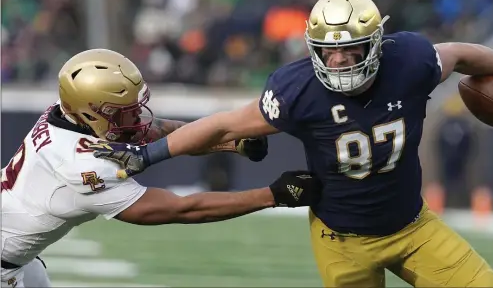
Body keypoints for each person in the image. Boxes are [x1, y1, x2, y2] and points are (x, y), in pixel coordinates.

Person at [90, 0, 493, 288]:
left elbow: (460, 54)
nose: (339, 61)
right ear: (313, 49)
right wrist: (147, 155)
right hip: (341, 241)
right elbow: (224, 125)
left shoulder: (411, 59)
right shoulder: (297, 89)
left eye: (351, 49)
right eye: (329, 51)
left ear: (376, 43)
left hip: (413, 226)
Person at [0, 49, 321, 288]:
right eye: (125, 113)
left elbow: (154, 130)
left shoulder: (68, 115)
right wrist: (272, 196)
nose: (138, 119)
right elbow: (182, 209)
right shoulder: (82, 167)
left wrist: (230, 144)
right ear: (93, 112)